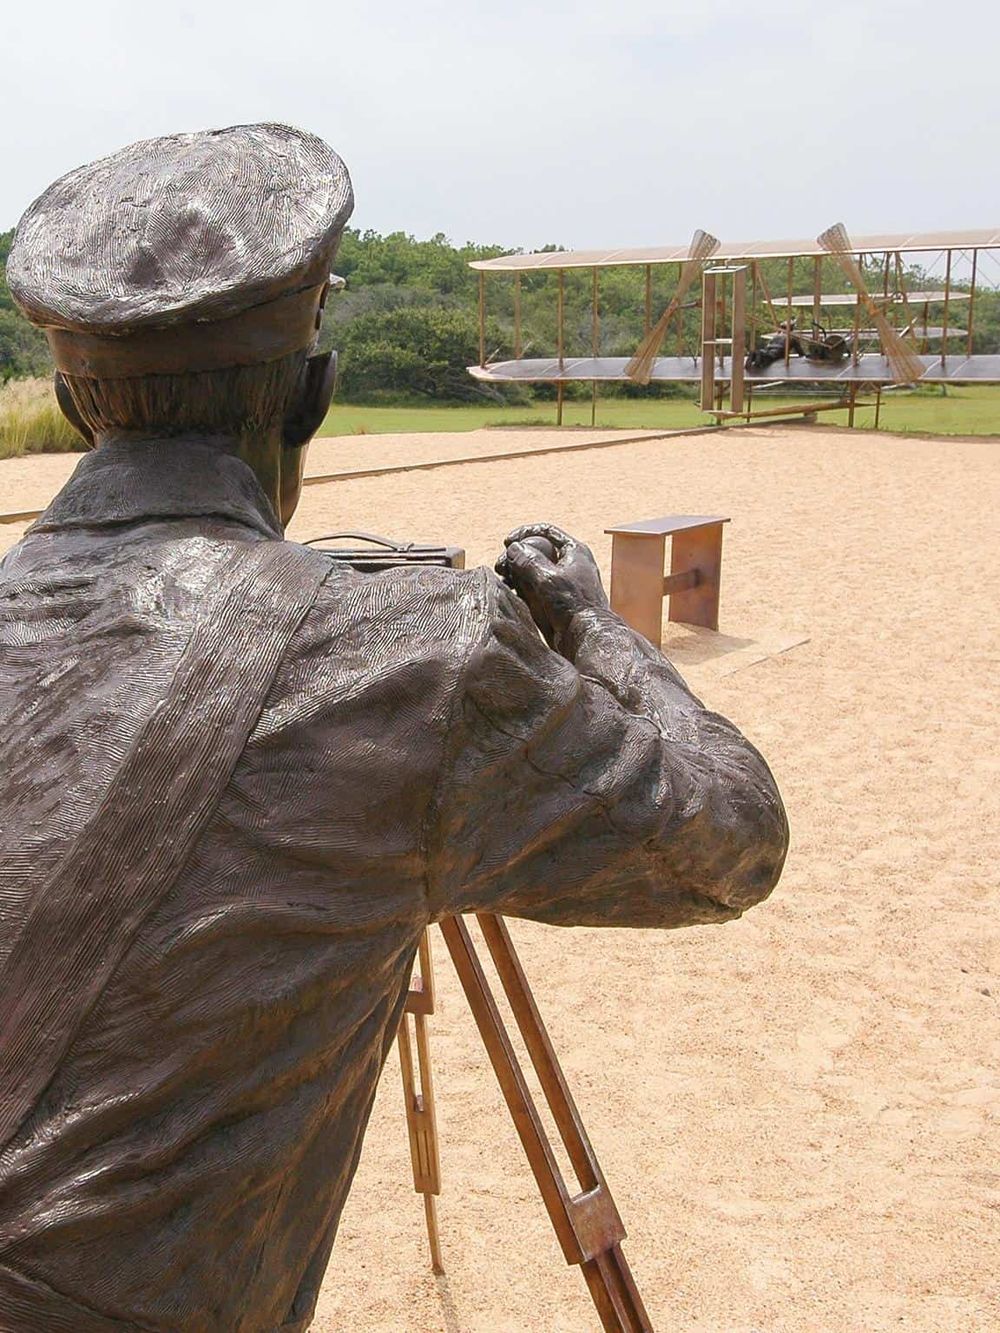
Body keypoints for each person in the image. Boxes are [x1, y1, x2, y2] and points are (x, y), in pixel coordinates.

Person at [0, 124, 788, 1332]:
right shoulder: (422, 658)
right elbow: (728, 839)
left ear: (68, 398)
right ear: (312, 394)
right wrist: (588, 623)